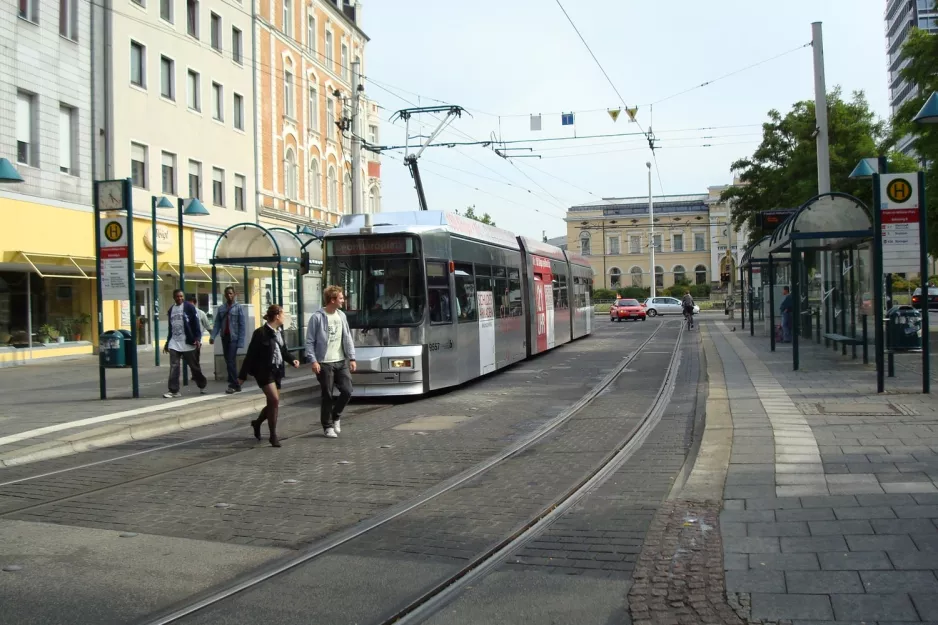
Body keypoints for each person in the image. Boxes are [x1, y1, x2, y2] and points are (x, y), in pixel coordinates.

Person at [237, 305, 299, 448]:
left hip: (277, 371)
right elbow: (250, 355)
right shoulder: (260, 333)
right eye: (283, 314)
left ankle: (257, 423)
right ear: (277, 316)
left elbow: (283, 351)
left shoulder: (279, 332)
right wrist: (242, 376)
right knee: (275, 400)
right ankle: (273, 436)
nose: (284, 317)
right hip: (264, 372)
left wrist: (292, 359)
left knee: (272, 403)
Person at [305, 285, 357, 439]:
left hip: (341, 360)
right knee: (327, 395)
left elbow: (347, 337)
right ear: (332, 300)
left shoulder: (341, 315)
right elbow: (309, 342)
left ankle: (336, 416)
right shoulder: (317, 317)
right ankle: (327, 426)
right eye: (341, 298)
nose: (343, 300)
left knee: (347, 391)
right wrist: (313, 361)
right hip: (325, 362)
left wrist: (352, 357)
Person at [163, 289, 207, 398]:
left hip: (187, 342)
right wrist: (167, 342)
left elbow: (195, 323)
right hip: (175, 342)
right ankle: (174, 390)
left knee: (194, 367)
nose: (179, 298)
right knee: (174, 366)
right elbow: (170, 328)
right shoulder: (171, 310)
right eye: (177, 296)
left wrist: (197, 338)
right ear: (174, 297)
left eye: (181, 296)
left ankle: (202, 383)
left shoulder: (189, 307)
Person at [210, 286, 247, 394]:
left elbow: (242, 325)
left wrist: (240, 341)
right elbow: (217, 323)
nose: (229, 295)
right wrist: (213, 336)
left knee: (230, 361)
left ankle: (233, 384)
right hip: (224, 338)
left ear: (234, 294)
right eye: (227, 294)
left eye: (231, 293)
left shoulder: (238, 308)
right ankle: (237, 384)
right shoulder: (222, 308)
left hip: (234, 338)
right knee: (229, 361)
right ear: (225, 295)